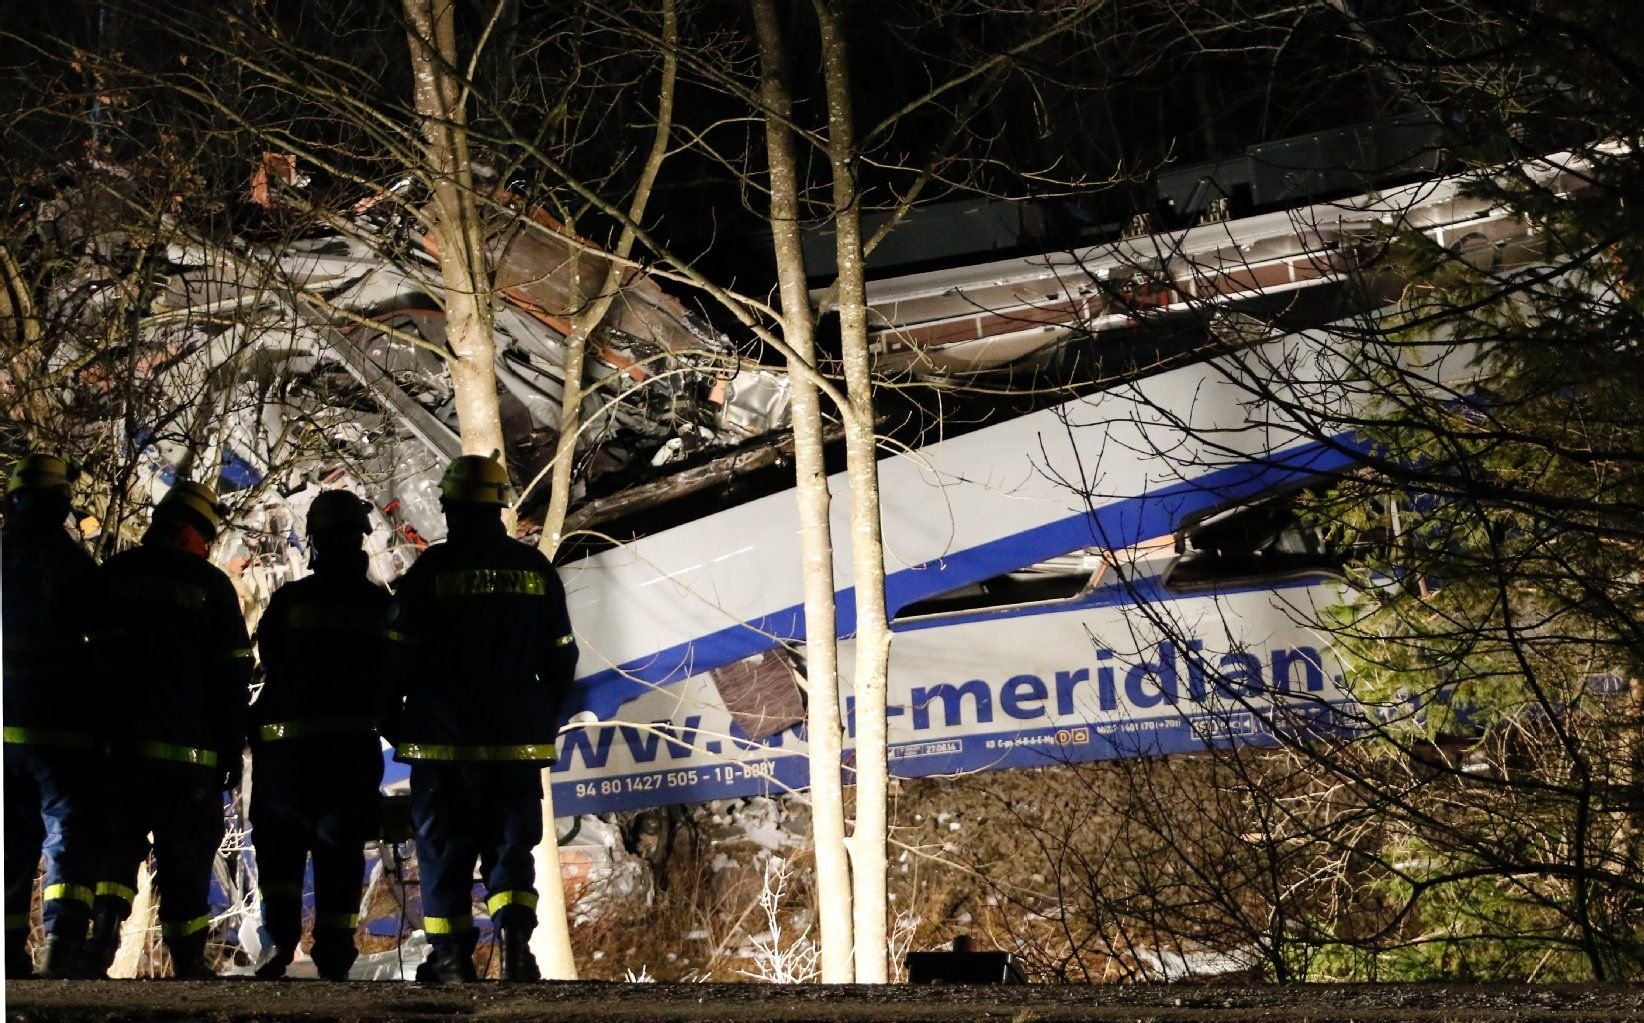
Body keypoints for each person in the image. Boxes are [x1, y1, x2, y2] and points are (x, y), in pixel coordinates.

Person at [392, 454, 578, 982]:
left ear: (450, 507)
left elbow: (395, 656)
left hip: (442, 746)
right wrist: (540, 717)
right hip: (514, 744)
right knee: (510, 849)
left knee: (444, 851)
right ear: (499, 506)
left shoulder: (430, 572)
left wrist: (395, 719)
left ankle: (451, 958)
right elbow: (562, 656)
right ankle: (517, 947)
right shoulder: (535, 571)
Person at [85, 479, 252, 979]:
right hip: (187, 759)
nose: (207, 548)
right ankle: (187, 962)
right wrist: (229, 749)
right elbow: (232, 676)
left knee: (115, 854)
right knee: (186, 862)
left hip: (119, 754)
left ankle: (98, 944)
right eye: (205, 538)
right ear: (188, 532)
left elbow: (87, 663)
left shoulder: (113, 575)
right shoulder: (211, 588)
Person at [249, 490, 394, 980]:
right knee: (340, 854)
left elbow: (270, 656)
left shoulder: (289, 601)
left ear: (313, 541)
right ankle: (334, 952)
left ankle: (278, 943)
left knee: (280, 853)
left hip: (284, 756)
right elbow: (392, 675)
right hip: (348, 754)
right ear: (360, 539)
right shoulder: (378, 606)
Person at [2, 454, 100, 979]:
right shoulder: (73, 562)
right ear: (62, 503)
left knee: (9, 845)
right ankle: (61, 945)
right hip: (62, 730)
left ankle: (6, 951)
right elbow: (106, 641)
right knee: (69, 838)